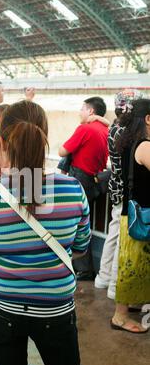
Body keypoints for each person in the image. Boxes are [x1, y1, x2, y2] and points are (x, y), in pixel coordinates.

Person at [0, 100, 93, 365]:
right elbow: (80, 248)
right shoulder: (72, 190)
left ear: (3, 143)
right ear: (44, 136)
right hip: (55, 310)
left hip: (1, 308)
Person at [95, 89, 143, 299]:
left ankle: (103, 277)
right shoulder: (131, 133)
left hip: (116, 186)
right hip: (128, 190)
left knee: (113, 234)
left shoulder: (114, 127)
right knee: (123, 238)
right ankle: (115, 285)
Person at [58, 96, 109, 280]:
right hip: (95, 181)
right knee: (84, 222)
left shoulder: (85, 128)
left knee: (74, 223)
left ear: (91, 111)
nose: (80, 112)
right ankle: (83, 267)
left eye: (82, 108)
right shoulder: (105, 130)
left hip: (79, 180)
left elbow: (62, 151)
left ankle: (84, 269)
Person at [111, 98, 150, 333]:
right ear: (147, 119)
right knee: (132, 265)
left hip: (132, 213)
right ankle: (120, 317)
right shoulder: (145, 146)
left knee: (134, 264)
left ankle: (131, 306)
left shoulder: (128, 141)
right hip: (142, 215)